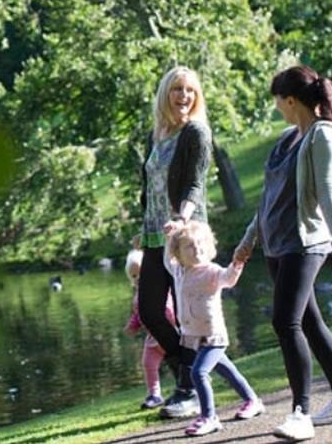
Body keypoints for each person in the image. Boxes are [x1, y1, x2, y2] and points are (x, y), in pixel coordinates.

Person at [233, 65, 332, 441]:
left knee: (284, 322)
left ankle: (300, 412)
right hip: (276, 243)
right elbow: (267, 198)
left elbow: (328, 192)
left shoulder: (322, 136)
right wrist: (247, 241)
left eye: (278, 102)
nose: (278, 109)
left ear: (290, 100)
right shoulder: (287, 138)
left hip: (305, 243)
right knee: (308, 323)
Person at [137, 65, 213, 418]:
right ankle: (189, 368)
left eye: (190, 91)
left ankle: (187, 388)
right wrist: (143, 224)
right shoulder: (156, 134)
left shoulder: (196, 132)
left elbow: (195, 184)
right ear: (165, 94)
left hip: (183, 237)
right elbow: (148, 185)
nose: (184, 97)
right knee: (151, 311)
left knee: (187, 314)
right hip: (154, 235)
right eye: (177, 90)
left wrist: (182, 217)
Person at [166, 221, 265, 436]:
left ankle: (209, 417)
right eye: (189, 246)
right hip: (194, 337)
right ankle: (253, 400)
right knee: (228, 371)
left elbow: (228, 279)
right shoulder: (180, 271)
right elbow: (167, 260)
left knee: (199, 373)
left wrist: (238, 262)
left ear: (209, 247)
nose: (197, 249)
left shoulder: (211, 271)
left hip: (213, 336)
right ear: (178, 253)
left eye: (201, 244)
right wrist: (170, 237)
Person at [124, 249, 175, 409]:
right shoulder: (139, 294)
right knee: (148, 364)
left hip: (169, 333)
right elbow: (139, 313)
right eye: (134, 276)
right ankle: (154, 394)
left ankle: (186, 388)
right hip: (153, 337)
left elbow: (169, 308)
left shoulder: (159, 289)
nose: (138, 278)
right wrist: (133, 325)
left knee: (178, 362)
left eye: (141, 274)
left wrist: (171, 319)